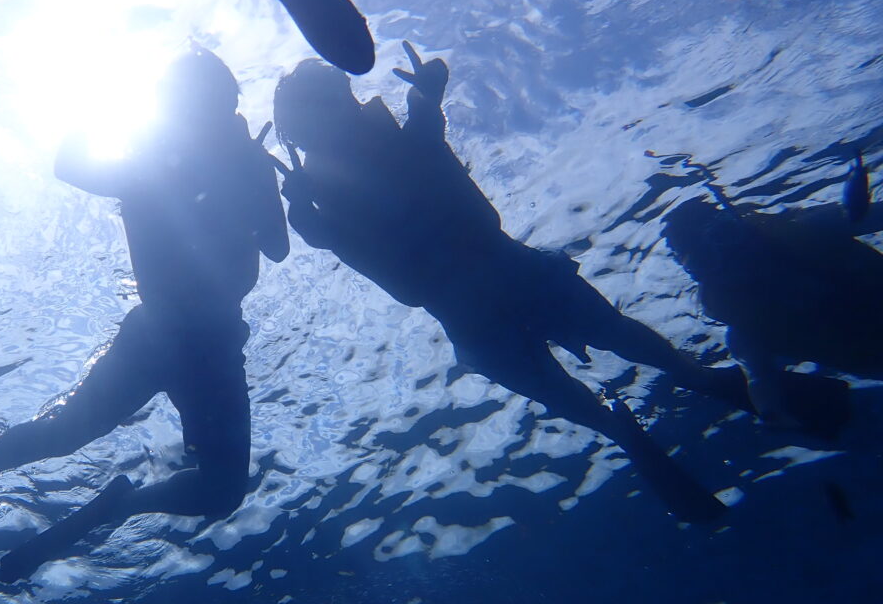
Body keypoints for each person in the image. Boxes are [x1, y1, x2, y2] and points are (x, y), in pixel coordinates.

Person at [272, 45, 767, 524]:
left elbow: (421, 134)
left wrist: (427, 93)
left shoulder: (360, 167)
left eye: (341, 99)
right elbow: (405, 158)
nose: (346, 110)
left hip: (491, 292)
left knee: (609, 351)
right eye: (332, 104)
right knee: (606, 353)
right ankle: (652, 411)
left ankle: (663, 403)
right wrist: (312, 216)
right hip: (493, 292)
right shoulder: (339, 183)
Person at [0, 46, 289, 580]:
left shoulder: (194, 166)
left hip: (191, 341)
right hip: (181, 339)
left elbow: (277, 246)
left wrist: (253, 186)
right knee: (87, 439)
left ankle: (77, 494)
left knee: (200, 486)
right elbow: (70, 164)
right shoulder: (158, 165)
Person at [661, 169, 879, 428]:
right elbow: (759, 379)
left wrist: (770, 410)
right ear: (699, 273)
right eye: (705, 259)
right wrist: (771, 414)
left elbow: (759, 381)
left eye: (725, 236)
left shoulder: (814, 229)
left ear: (741, 225)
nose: (730, 259)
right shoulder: (747, 332)